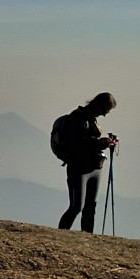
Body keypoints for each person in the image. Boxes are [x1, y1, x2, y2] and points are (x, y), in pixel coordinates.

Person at [57, 92, 118, 233]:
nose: (104, 115)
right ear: (97, 105)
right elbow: (75, 145)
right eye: (104, 110)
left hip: (94, 167)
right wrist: (99, 144)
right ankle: (61, 235)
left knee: (90, 207)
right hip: (78, 167)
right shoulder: (76, 118)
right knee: (77, 207)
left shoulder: (89, 119)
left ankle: (87, 238)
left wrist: (104, 144)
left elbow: (86, 141)